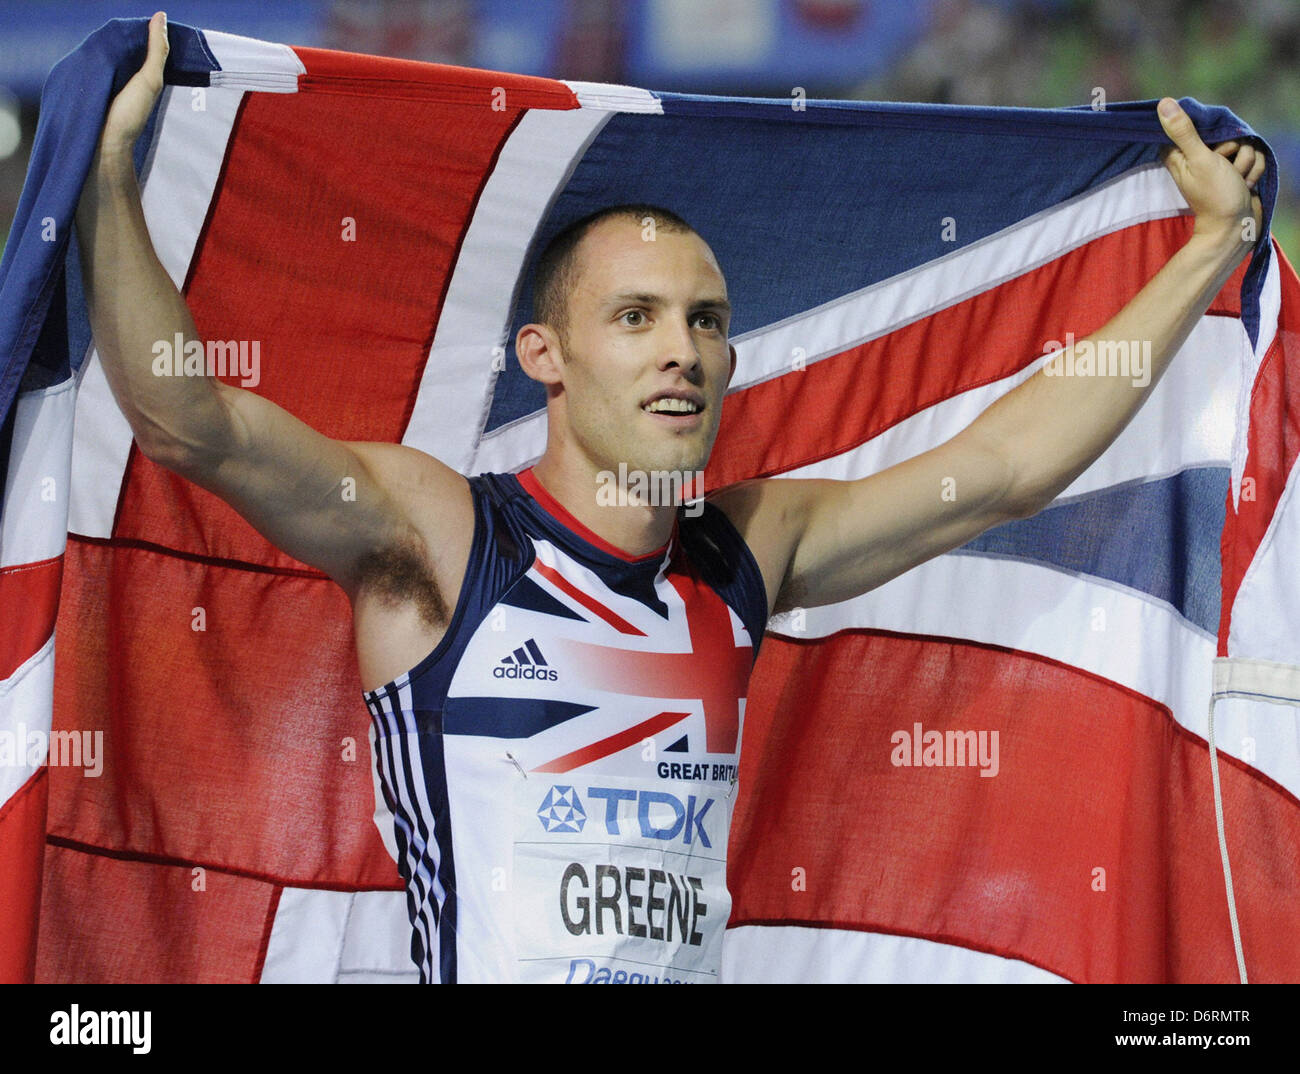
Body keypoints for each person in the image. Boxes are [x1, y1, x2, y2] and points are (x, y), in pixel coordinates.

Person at [77, 12, 1266, 983]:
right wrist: (110, 180)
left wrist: (1207, 251)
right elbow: (193, 422)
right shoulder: (440, 537)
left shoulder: (745, 549)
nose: (680, 351)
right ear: (545, 356)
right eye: (635, 318)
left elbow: (1006, 470)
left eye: (704, 321)